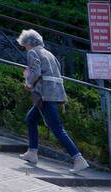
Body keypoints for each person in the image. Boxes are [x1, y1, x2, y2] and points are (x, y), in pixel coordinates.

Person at [18, 29, 89, 172]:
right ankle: (32, 152)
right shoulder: (49, 54)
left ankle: (78, 158)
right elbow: (55, 73)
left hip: (44, 94)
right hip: (55, 93)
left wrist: (28, 82)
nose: (24, 48)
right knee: (31, 119)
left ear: (30, 43)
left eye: (24, 45)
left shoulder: (33, 52)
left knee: (56, 127)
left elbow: (36, 72)